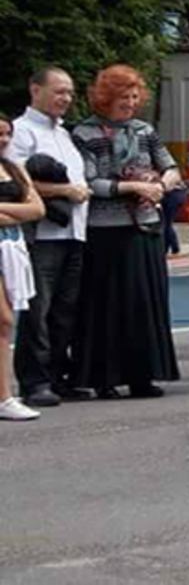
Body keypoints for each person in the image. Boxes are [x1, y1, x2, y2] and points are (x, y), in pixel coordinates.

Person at [72, 65, 182, 398]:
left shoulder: (144, 130)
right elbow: (90, 182)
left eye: (134, 97)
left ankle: (142, 375)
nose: (130, 103)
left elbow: (172, 167)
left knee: (144, 304)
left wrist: (161, 186)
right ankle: (104, 377)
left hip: (146, 226)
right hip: (106, 231)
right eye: (123, 97)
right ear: (106, 98)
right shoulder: (85, 133)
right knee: (106, 306)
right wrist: (131, 186)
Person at [9, 67, 91, 406]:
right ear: (35, 90)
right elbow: (16, 182)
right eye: (59, 91)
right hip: (42, 235)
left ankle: (58, 374)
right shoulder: (21, 131)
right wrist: (64, 190)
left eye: (69, 92)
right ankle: (35, 379)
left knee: (65, 310)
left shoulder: (65, 135)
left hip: (74, 233)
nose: (66, 99)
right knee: (38, 309)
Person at [0, 114, 45, 420]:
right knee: (3, 320)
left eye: (6, 134)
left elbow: (37, 208)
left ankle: (4, 396)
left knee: (5, 323)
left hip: (12, 248)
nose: (3, 139)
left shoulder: (13, 169)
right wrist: (20, 212)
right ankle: (4, 396)